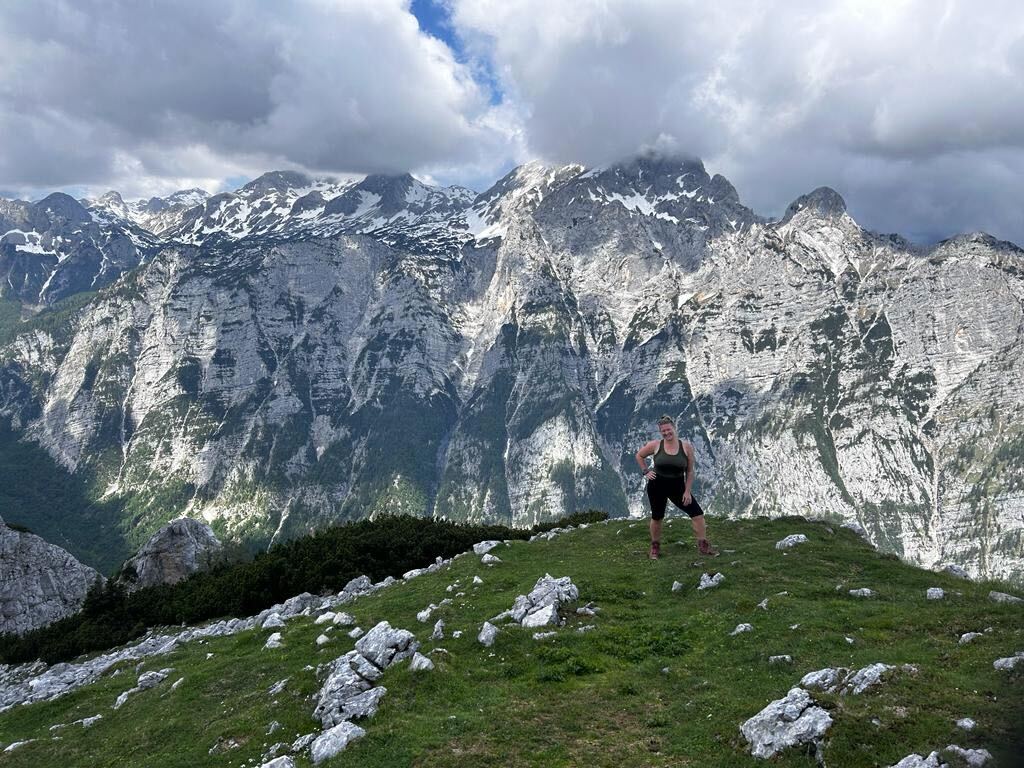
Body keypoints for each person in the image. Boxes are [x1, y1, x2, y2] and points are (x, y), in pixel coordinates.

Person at [635, 415, 717, 560]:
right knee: (657, 516)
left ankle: (703, 545)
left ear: (674, 428)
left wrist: (687, 491)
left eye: (668, 429)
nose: (666, 433)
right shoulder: (656, 445)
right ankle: (655, 547)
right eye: (663, 431)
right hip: (657, 485)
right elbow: (639, 455)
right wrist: (646, 471)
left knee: (697, 514)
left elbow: (690, 471)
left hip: (678, 486)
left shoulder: (686, 447)